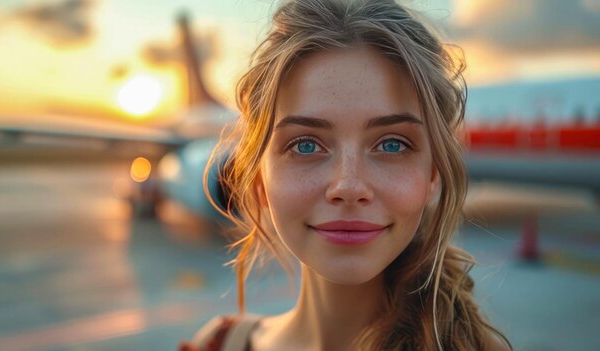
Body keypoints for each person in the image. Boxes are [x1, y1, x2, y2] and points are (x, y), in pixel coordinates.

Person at [181, 0, 512, 350]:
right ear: (259, 179)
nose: (349, 186)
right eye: (306, 145)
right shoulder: (219, 343)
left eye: (393, 145)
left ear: (434, 175)